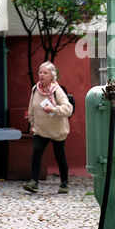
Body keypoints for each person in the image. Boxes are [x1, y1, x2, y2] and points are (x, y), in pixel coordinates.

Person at [23, 61, 73, 194]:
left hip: (57, 130)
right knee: (36, 152)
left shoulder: (57, 90)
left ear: (52, 76)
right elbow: (31, 108)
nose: (41, 75)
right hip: (40, 129)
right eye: (40, 72)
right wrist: (31, 123)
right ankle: (33, 182)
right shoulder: (35, 89)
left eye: (45, 73)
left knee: (60, 156)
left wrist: (53, 109)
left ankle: (64, 184)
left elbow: (68, 109)